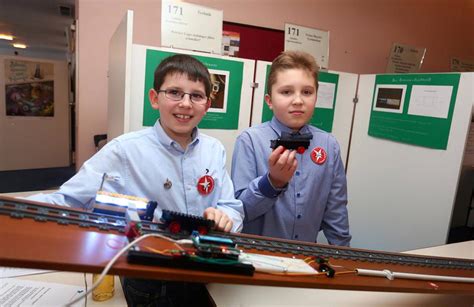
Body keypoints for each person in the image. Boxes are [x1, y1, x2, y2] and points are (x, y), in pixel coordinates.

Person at [29, 54, 244, 306]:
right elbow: (68, 200)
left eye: (196, 96)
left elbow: (232, 206)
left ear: (207, 104)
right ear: (155, 98)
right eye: (174, 92)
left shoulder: (214, 149)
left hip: (204, 270)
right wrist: (13, 213)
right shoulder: (124, 150)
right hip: (149, 279)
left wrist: (225, 218)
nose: (185, 103)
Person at [231, 50, 351, 247]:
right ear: (269, 101)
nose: (298, 100)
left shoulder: (329, 145)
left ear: (316, 97)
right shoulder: (250, 141)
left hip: (306, 257)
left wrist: (343, 256)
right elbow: (240, 210)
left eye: (307, 92)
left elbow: (336, 211)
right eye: (286, 92)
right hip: (257, 256)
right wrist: (272, 183)